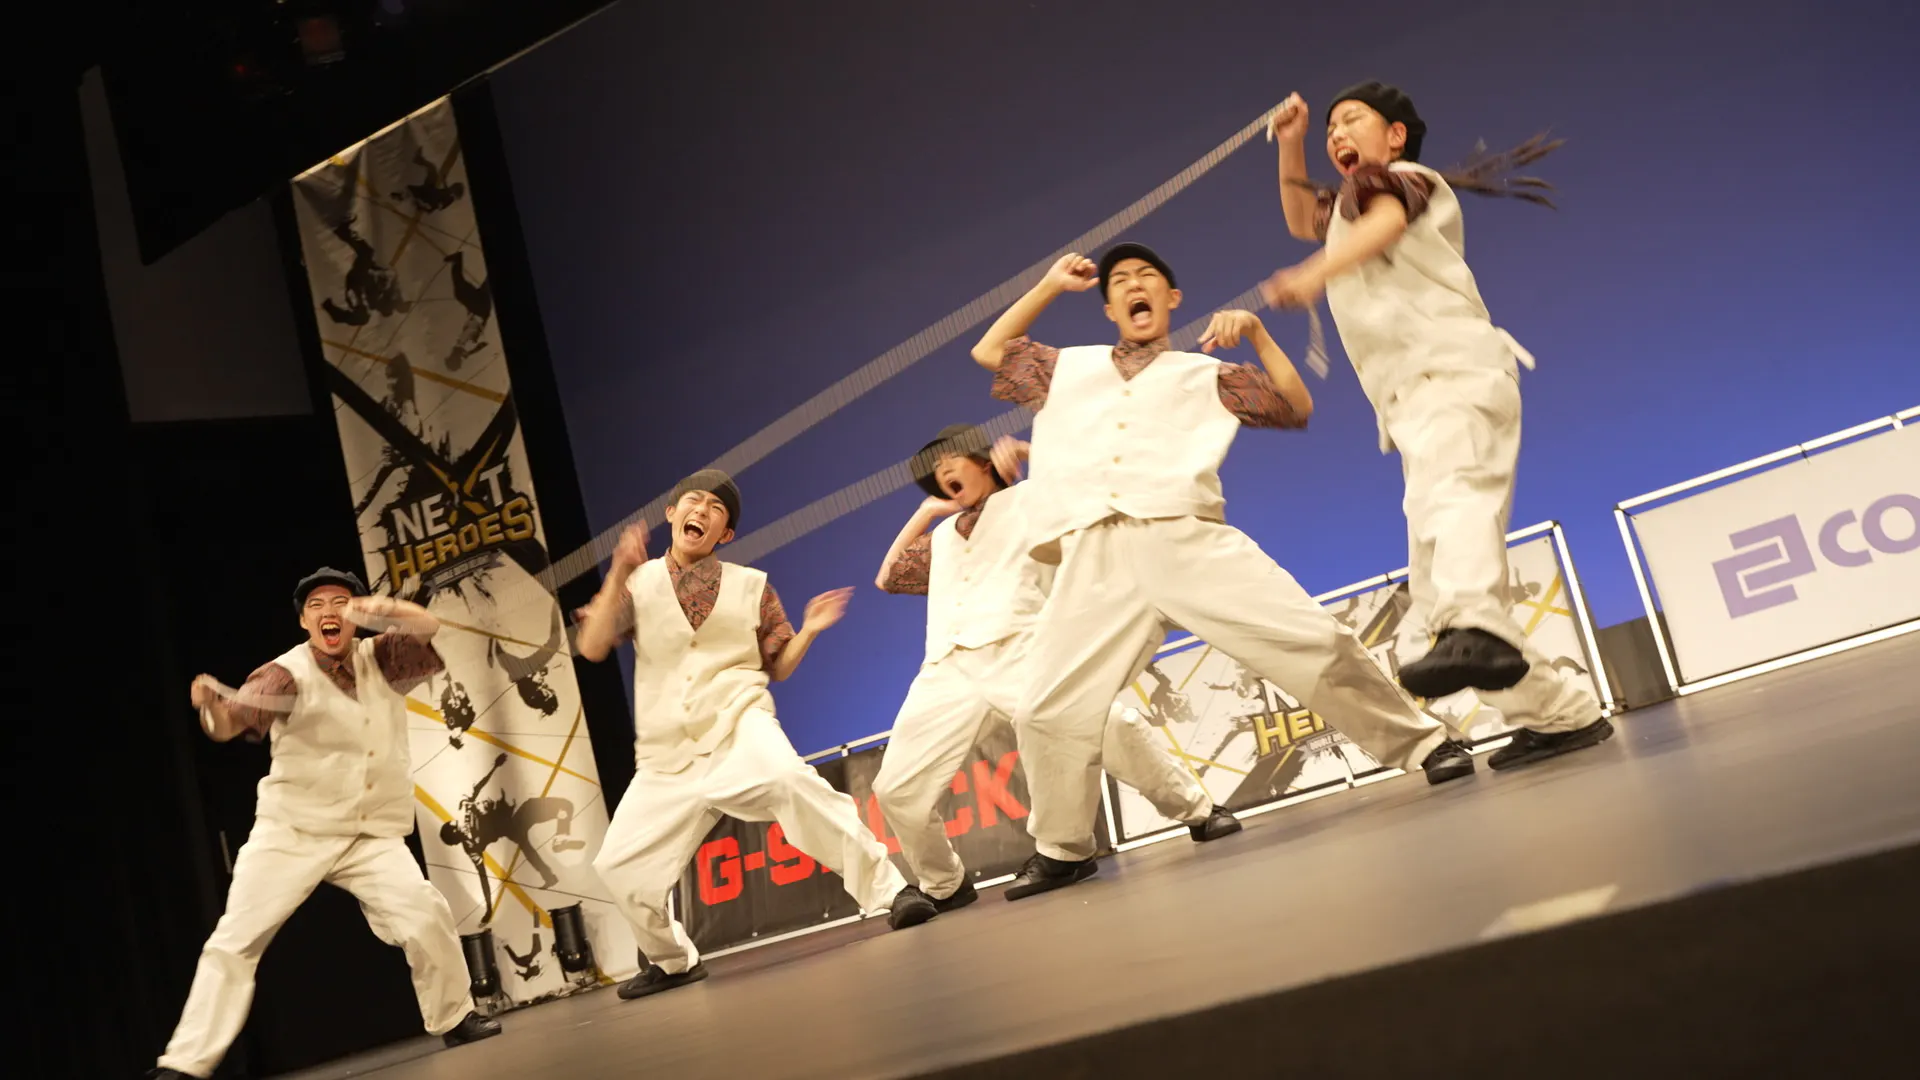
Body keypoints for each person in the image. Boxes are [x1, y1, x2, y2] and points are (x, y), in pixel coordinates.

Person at [971, 244, 1475, 900]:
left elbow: (1294, 406)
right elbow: (990, 349)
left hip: (1187, 538)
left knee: (1314, 640)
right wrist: (1047, 284)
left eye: (1147, 276)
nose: (1134, 284)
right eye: (1120, 281)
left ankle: (1425, 745)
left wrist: (1260, 335)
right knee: (1045, 707)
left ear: (1172, 298)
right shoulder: (1063, 368)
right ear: (1110, 307)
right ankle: (1063, 849)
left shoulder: (1204, 374)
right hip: (1094, 557)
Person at [1261, 83, 1611, 769]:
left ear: (1396, 135)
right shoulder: (1349, 205)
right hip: (1412, 400)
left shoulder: (1401, 181)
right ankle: (1559, 714)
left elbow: (1383, 224)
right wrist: (1291, 144)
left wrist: (1314, 274)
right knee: (1434, 587)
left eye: (1351, 120)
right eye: (1331, 129)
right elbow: (1304, 218)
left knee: (1456, 507)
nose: (1338, 133)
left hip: (1454, 372)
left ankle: (1479, 628)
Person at [576, 470, 938, 1002]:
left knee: (792, 781)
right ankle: (672, 961)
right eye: (692, 501)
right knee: (617, 866)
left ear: (724, 533)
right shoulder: (638, 582)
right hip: (666, 754)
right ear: (672, 515)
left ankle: (892, 891)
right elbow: (591, 646)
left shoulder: (751, 585)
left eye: (715, 508)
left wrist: (809, 629)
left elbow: (779, 666)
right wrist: (618, 572)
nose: (701, 510)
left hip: (738, 725)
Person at [873, 423, 1241, 911]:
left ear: (983, 462)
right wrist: (925, 513)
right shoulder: (941, 537)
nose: (942, 473)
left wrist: (1031, 452)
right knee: (894, 788)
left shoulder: (1031, 499)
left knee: (1108, 724)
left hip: (1021, 648)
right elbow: (887, 577)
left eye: (950, 461)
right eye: (934, 473)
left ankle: (1198, 811)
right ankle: (944, 883)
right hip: (946, 667)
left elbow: (1098, 481)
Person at [152, 568, 498, 1080]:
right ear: (303, 621)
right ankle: (184, 1063)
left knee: (425, 912)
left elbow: (426, 626)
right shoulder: (283, 675)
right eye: (316, 605)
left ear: (357, 614)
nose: (328, 612)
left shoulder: (384, 656)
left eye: (340, 602)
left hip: (369, 834)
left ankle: (455, 1017)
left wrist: (377, 609)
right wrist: (209, 709)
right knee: (236, 939)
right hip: (293, 833)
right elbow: (229, 724)